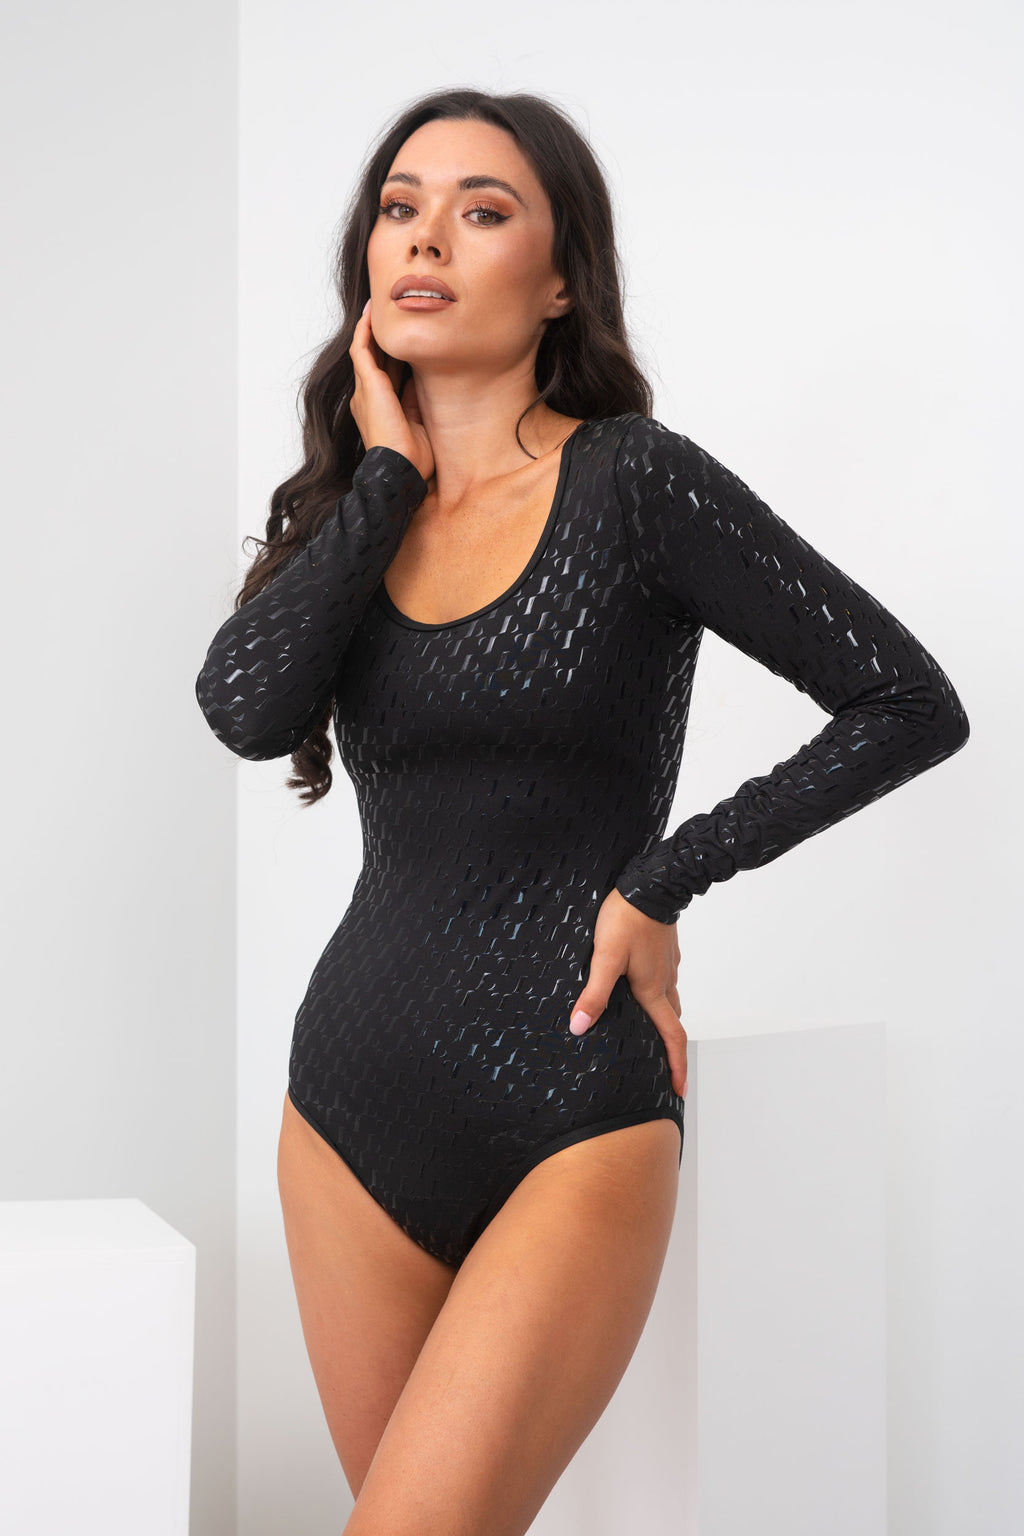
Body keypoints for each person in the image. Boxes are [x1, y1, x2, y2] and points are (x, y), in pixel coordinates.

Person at [194, 87, 970, 1535]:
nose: (425, 237)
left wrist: (662, 882)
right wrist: (384, 477)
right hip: (348, 1104)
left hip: (572, 1094)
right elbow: (242, 710)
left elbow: (907, 701)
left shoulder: (634, 483)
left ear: (560, 282)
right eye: (400, 206)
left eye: (482, 211)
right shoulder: (361, 516)